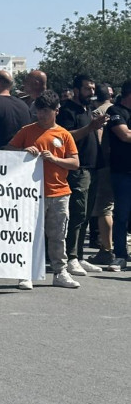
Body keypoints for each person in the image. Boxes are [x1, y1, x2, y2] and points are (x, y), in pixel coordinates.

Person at [8, 90, 80, 289]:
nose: (41, 115)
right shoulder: (27, 130)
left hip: (59, 192)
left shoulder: (64, 134)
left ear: (56, 111)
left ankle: (60, 272)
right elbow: (7, 151)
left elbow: (75, 163)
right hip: (31, 193)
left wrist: (55, 159)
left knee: (58, 235)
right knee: (28, 234)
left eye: (45, 111)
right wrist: (23, 152)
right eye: (39, 111)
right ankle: (25, 272)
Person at [56, 75, 107, 277]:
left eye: (93, 88)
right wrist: (90, 127)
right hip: (78, 169)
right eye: (87, 89)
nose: (91, 92)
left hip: (93, 167)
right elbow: (65, 137)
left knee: (86, 214)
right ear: (76, 90)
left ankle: (79, 255)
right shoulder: (67, 110)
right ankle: (70, 258)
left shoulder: (87, 109)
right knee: (76, 213)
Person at [104, 81, 131, 272]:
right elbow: (124, 135)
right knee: (121, 215)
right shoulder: (116, 110)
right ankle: (120, 255)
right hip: (123, 172)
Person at [88, 82, 115, 266]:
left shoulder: (98, 113)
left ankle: (107, 249)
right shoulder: (119, 109)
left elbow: (99, 141)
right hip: (121, 167)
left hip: (105, 166)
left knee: (104, 209)